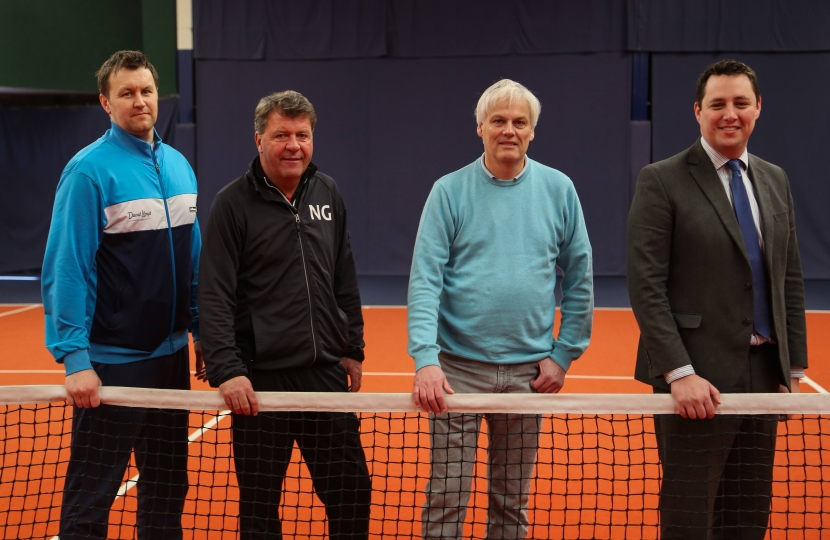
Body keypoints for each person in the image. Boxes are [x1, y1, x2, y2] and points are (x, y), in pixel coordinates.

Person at [627, 59, 808, 539]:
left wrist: (790, 369)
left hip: (762, 378)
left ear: (758, 108)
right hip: (695, 381)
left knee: (747, 514)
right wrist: (680, 374)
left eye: (740, 103)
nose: (730, 114)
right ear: (697, 111)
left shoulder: (774, 179)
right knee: (690, 517)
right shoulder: (661, 179)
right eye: (718, 104)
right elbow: (646, 284)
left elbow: (787, 276)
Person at [408, 79, 594, 540]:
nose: (508, 130)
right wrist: (426, 360)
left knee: (511, 504)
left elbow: (580, 276)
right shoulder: (448, 192)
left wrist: (564, 354)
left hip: (530, 376)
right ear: (480, 128)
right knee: (446, 498)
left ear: (532, 131)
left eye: (519, 122)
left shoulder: (559, 189)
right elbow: (425, 280)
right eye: (498, 121)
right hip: (455, 374)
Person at [42, 50, 203, 539]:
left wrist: (203, 333)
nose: (139, 101)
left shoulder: (178, 165)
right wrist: (75, 358)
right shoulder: (88, 172)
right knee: (92, 496)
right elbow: (67, 267)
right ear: (106, 104)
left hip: (172, 360)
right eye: (127, 93)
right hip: (114, 364)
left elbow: (193, 262)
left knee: (167, 490)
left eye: (146, 90)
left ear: (158, 96)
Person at [199, 90, 372, 539]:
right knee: (259, 507)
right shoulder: (232, 204)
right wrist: (227, 371)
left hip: (323, 378)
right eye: (281, 135)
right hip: (259, 383)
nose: (293, 145)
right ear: (258, 139)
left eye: (302, 134)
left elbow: (343, 275)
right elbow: (214, 293)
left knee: (352, 492)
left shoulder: (327, 192)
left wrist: (352, 346)